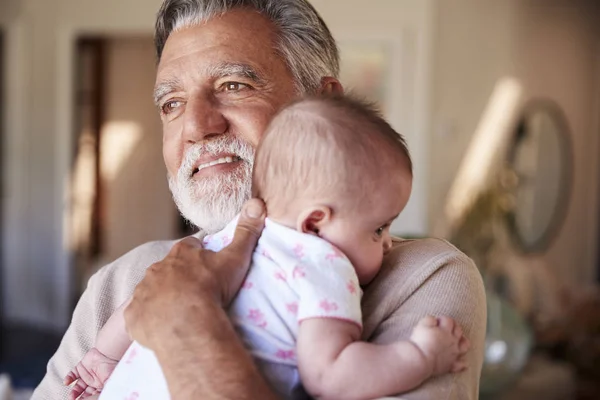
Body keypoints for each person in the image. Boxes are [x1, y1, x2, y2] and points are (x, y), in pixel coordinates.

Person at [33, 1, 487, 399]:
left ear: (323, 103)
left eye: (234, 85)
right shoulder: (123, 280)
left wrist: (184, 323)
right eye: (171, 103)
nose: (196, 126)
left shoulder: (422, 277)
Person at [64, 96, 471, 400]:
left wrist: (102, 358)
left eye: (234, 85)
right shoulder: (327, 266)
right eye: (378, 228)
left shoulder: (224, 242)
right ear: (315, 223)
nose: (385, 243)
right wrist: (421, 357)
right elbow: (329, 376)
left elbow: (140, 306)